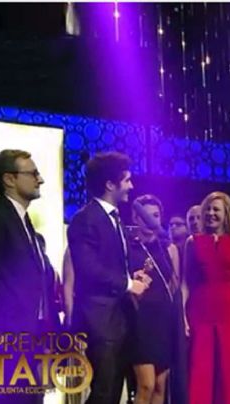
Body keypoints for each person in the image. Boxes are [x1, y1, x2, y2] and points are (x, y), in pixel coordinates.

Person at [67, 151, 151, 404]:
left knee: (114, 391)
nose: (131, 186)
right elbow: (88, 268)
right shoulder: (85, 219)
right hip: (99, 320)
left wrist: (132, 276)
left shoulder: (114, 219)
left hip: (120, 318)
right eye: (127, 180)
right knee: (103, 392)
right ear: (110, 184)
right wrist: (128, 284)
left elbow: (110, 265)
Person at [0, 149, 59, 404]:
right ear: (9, 179)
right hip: (7, 339)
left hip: (33, 337)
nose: (40, 179)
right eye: (33, 173)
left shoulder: (24, 221)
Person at [183, 191, 230, 404]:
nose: (211, 213)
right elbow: (185, 283)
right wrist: (183, 316)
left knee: (229, 365)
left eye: (216, 210)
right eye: (208, 209)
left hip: (228, 310)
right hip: (200, 309)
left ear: (226, 214)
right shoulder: (192, 242)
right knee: (201, 364)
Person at [128, 194, 180, 404]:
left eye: (156, 216)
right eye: (145, 216)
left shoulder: (168, 248)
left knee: (160, 386)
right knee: (146, 385)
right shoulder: (128, 247)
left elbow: (175, 285)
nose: (151, 221)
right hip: (140, 323)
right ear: (136, 218)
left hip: (163, 322)